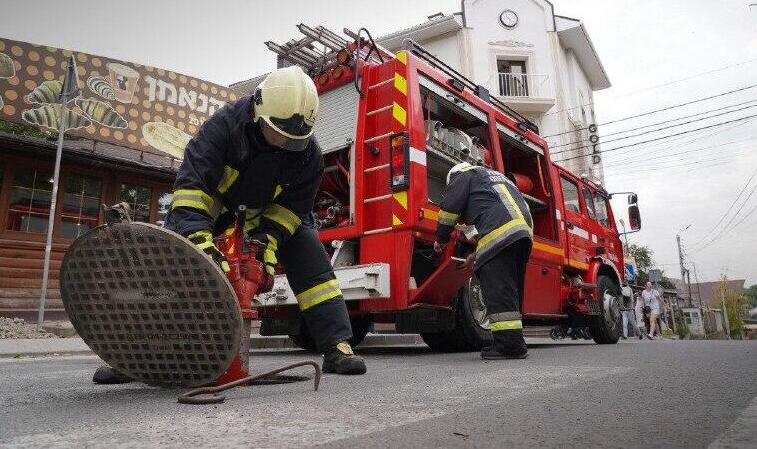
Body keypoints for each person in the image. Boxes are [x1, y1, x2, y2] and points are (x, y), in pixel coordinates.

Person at [93, 67, 366, 384]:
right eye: (277, 133)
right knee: (169, 264)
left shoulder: (309, 155)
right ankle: (136, 357)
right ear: (258, 112)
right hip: (220, 201)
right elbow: (192, 190)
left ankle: (337, 347)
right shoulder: (221, 129)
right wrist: (198, 244)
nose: (283, 144)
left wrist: (267, 243)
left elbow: (292, 210)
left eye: (293, 140)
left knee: (313, 263)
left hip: (272, 211)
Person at [433, 161, 534, 360]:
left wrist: (441, 238)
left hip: (501, 232)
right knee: (510, 290)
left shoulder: (464, 176)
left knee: (497, 290)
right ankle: (514, 341)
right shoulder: (494, 179)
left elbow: (449, 209)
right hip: (522, 234)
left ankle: (509, 346)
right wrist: (475, 255)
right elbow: (484, 217)